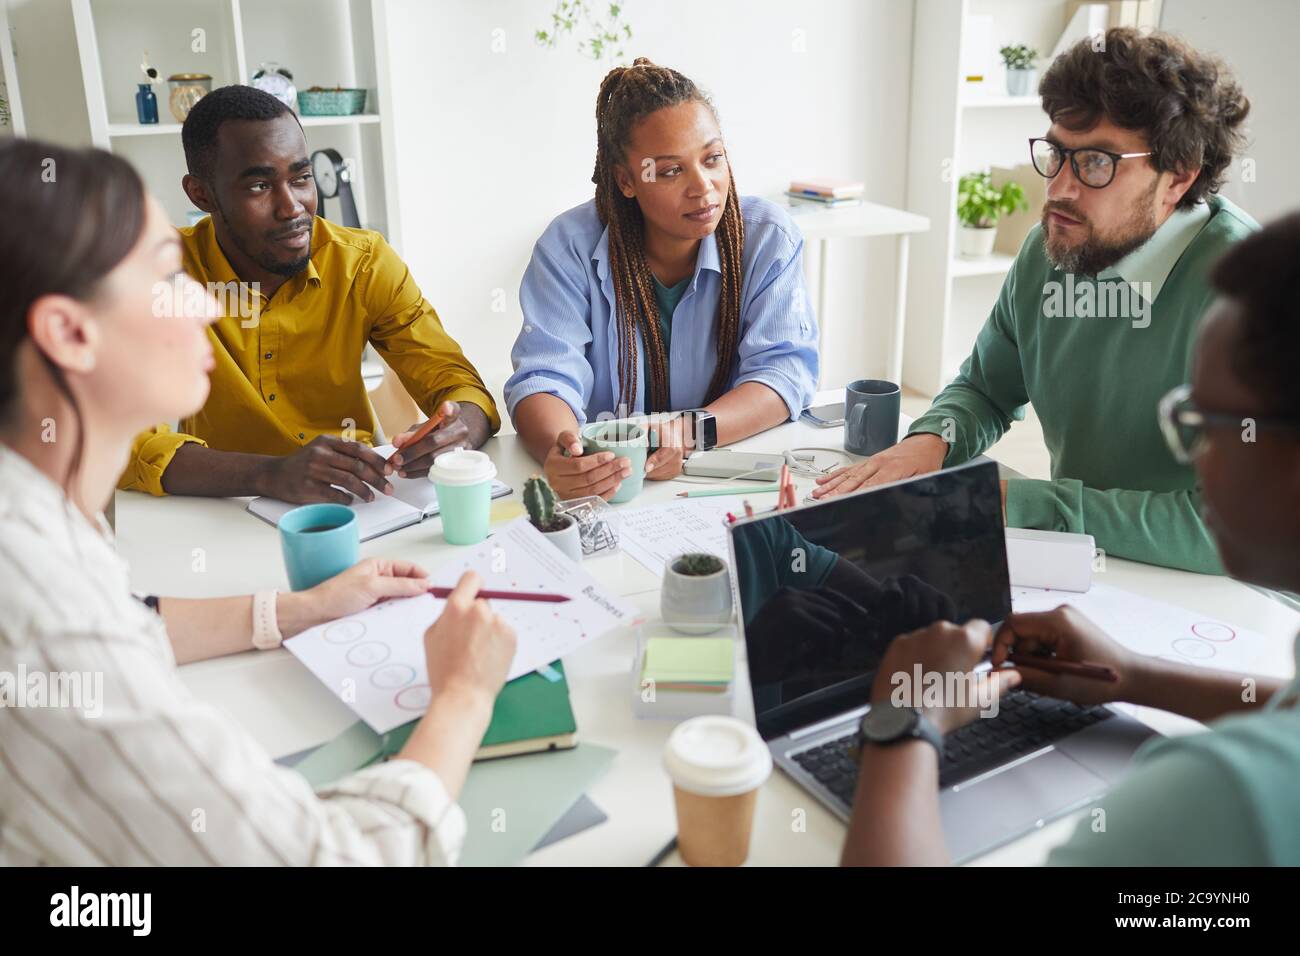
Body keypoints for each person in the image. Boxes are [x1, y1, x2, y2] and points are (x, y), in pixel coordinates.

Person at [0, 138, 516, 865]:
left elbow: (131, 621)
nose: (205, 300)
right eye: (167, 275)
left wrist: (297, 607)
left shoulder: (39, 525)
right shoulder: (43, 618)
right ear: (69, 333)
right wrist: (465, 693)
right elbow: (327, 859)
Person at [841, 211, 1300, 866]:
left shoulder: (1225, 798)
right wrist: (1133, 677)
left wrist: (901, 725)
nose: (1192, 455)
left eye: (1203, 421)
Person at [814, 29, 1256, 576]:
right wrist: (930, 441)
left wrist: (1022, 505)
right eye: (1056, 153)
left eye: (1096, 163)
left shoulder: (1257, 298)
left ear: (1178, 177)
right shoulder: (1052, 251)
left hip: (1234, 601)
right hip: (1090, 566)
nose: (1059, 189)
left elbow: (1236, 528)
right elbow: (986, 388)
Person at [119, 85, 500, 504]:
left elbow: (459, 385)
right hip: (226, 507)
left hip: (361, 501)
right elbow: (123, 439)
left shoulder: (363, 263)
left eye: (301, 178)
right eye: (260, 187)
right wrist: (270, 474)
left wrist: (457, 428)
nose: (293, 207)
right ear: (201, 194)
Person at [504, 58, 819, 501]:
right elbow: (544, 377)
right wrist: (564, 452)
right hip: (611, 488)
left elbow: (783, 373)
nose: (703, 186)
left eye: (713, 159)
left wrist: (688, 433)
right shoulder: (568, 247)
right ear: (626, 180)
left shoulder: (768, 238)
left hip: (718, 483)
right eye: (671, 171)